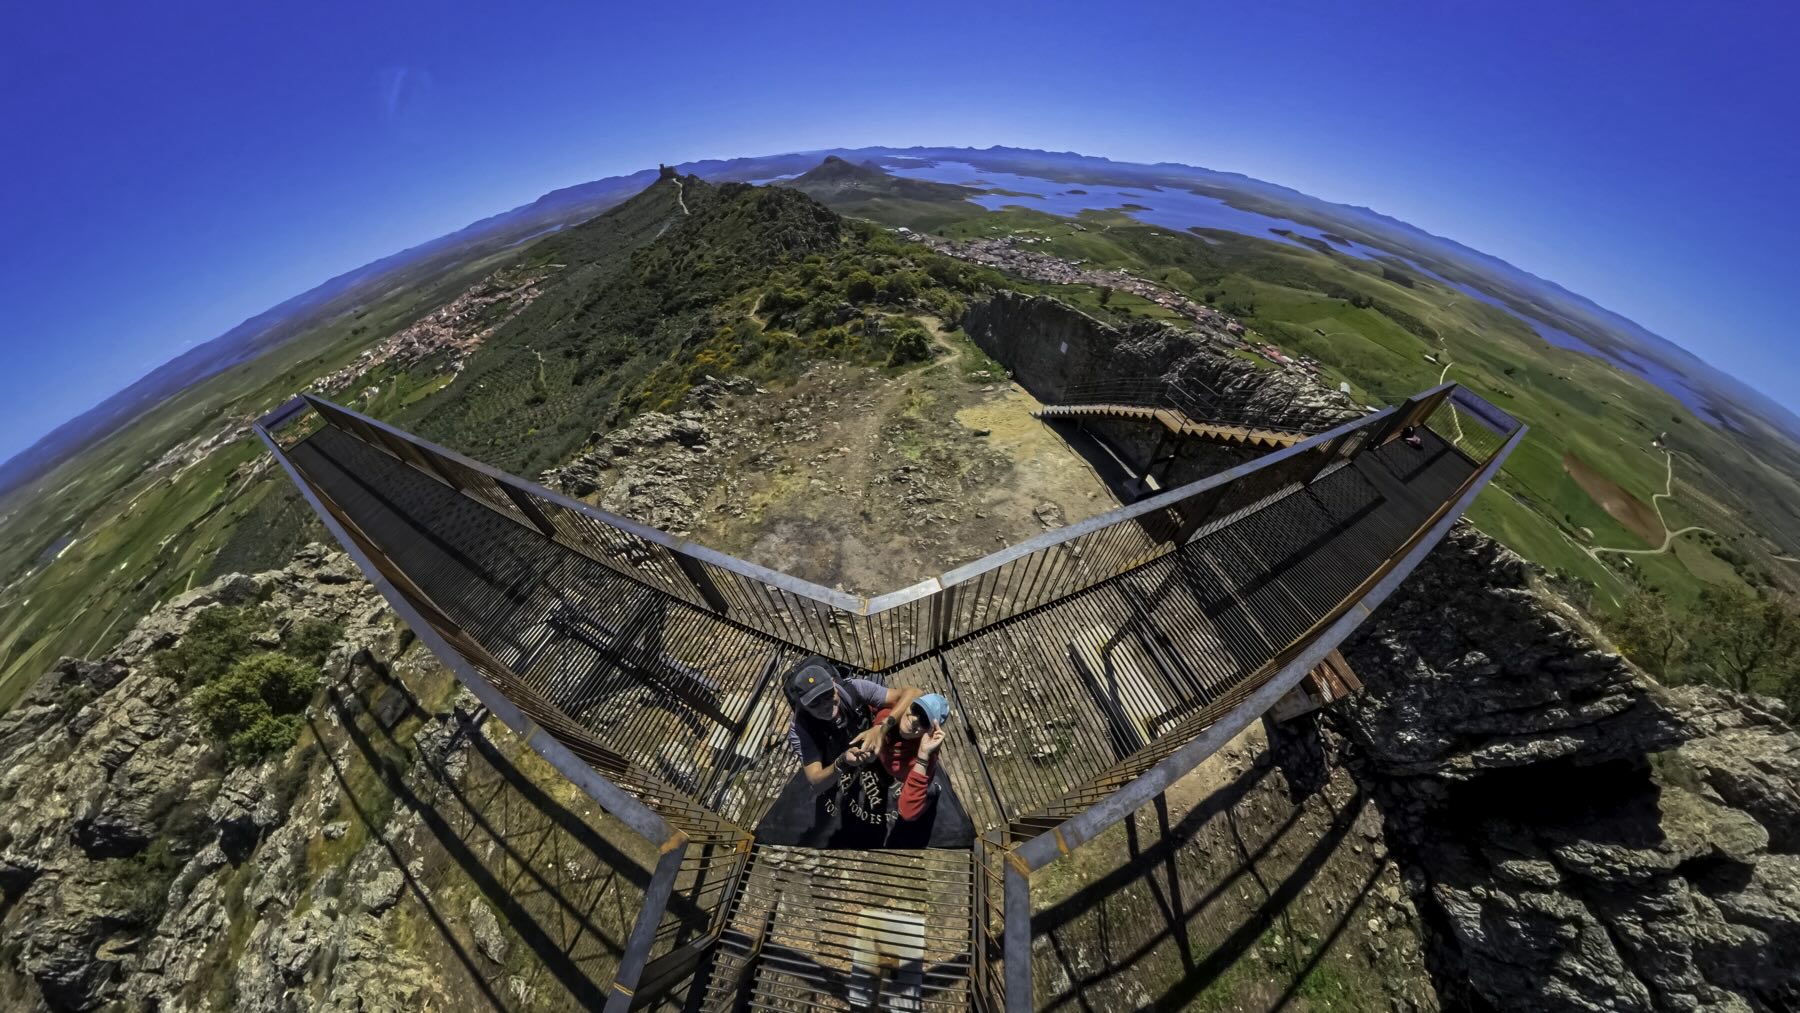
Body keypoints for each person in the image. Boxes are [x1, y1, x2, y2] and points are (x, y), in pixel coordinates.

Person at [871, 693, 950, 824]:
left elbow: (908, 812)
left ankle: (933, 792)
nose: (914, 719)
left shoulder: (924, 760)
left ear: (930, 731)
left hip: (904, 777)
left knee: (926, 790)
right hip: (887, 769)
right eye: (916, 709)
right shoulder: (888, 713)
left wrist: (923, 757)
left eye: (924, 721)